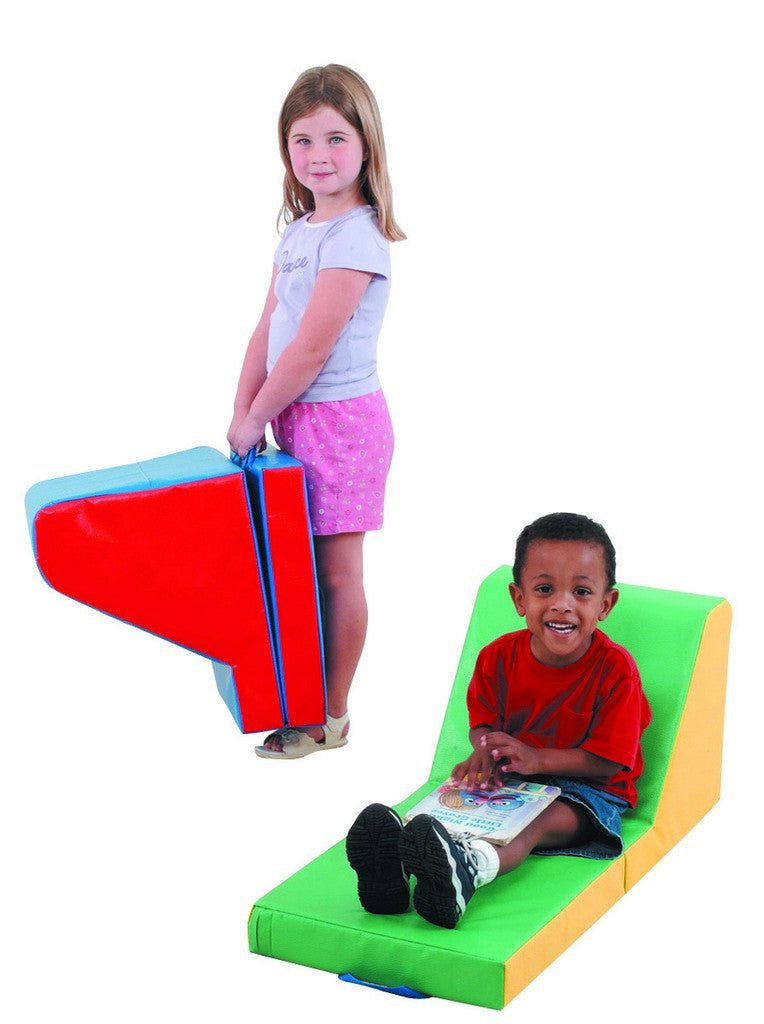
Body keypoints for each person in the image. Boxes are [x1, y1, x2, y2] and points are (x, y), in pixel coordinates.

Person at [346, 513, 652, 927]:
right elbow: (483, 724)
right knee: (456, 808)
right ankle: (396, 865)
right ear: (519, 598)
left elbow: (609, 762)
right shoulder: (497, 657)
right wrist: (486, 751)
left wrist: (538, 760)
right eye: (544, 589)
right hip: (516, 778)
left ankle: (472, 869)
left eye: (581, 592)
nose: (562, 604)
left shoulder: (616, 671)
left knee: (530, 824)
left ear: (605, 604)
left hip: (589, 793)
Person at [227, 65, 405, 759]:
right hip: (292, 416)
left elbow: (309, 349)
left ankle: (330, 715)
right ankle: (297, 694)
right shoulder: (300, 232)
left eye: (335, 138)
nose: (318, 156)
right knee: (293, 569)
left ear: (366, 145)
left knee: (336, 574)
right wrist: (242, 407)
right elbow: (267, 326)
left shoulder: (357, 237)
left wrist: (257, 417)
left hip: (341, 426)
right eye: (302, 141)